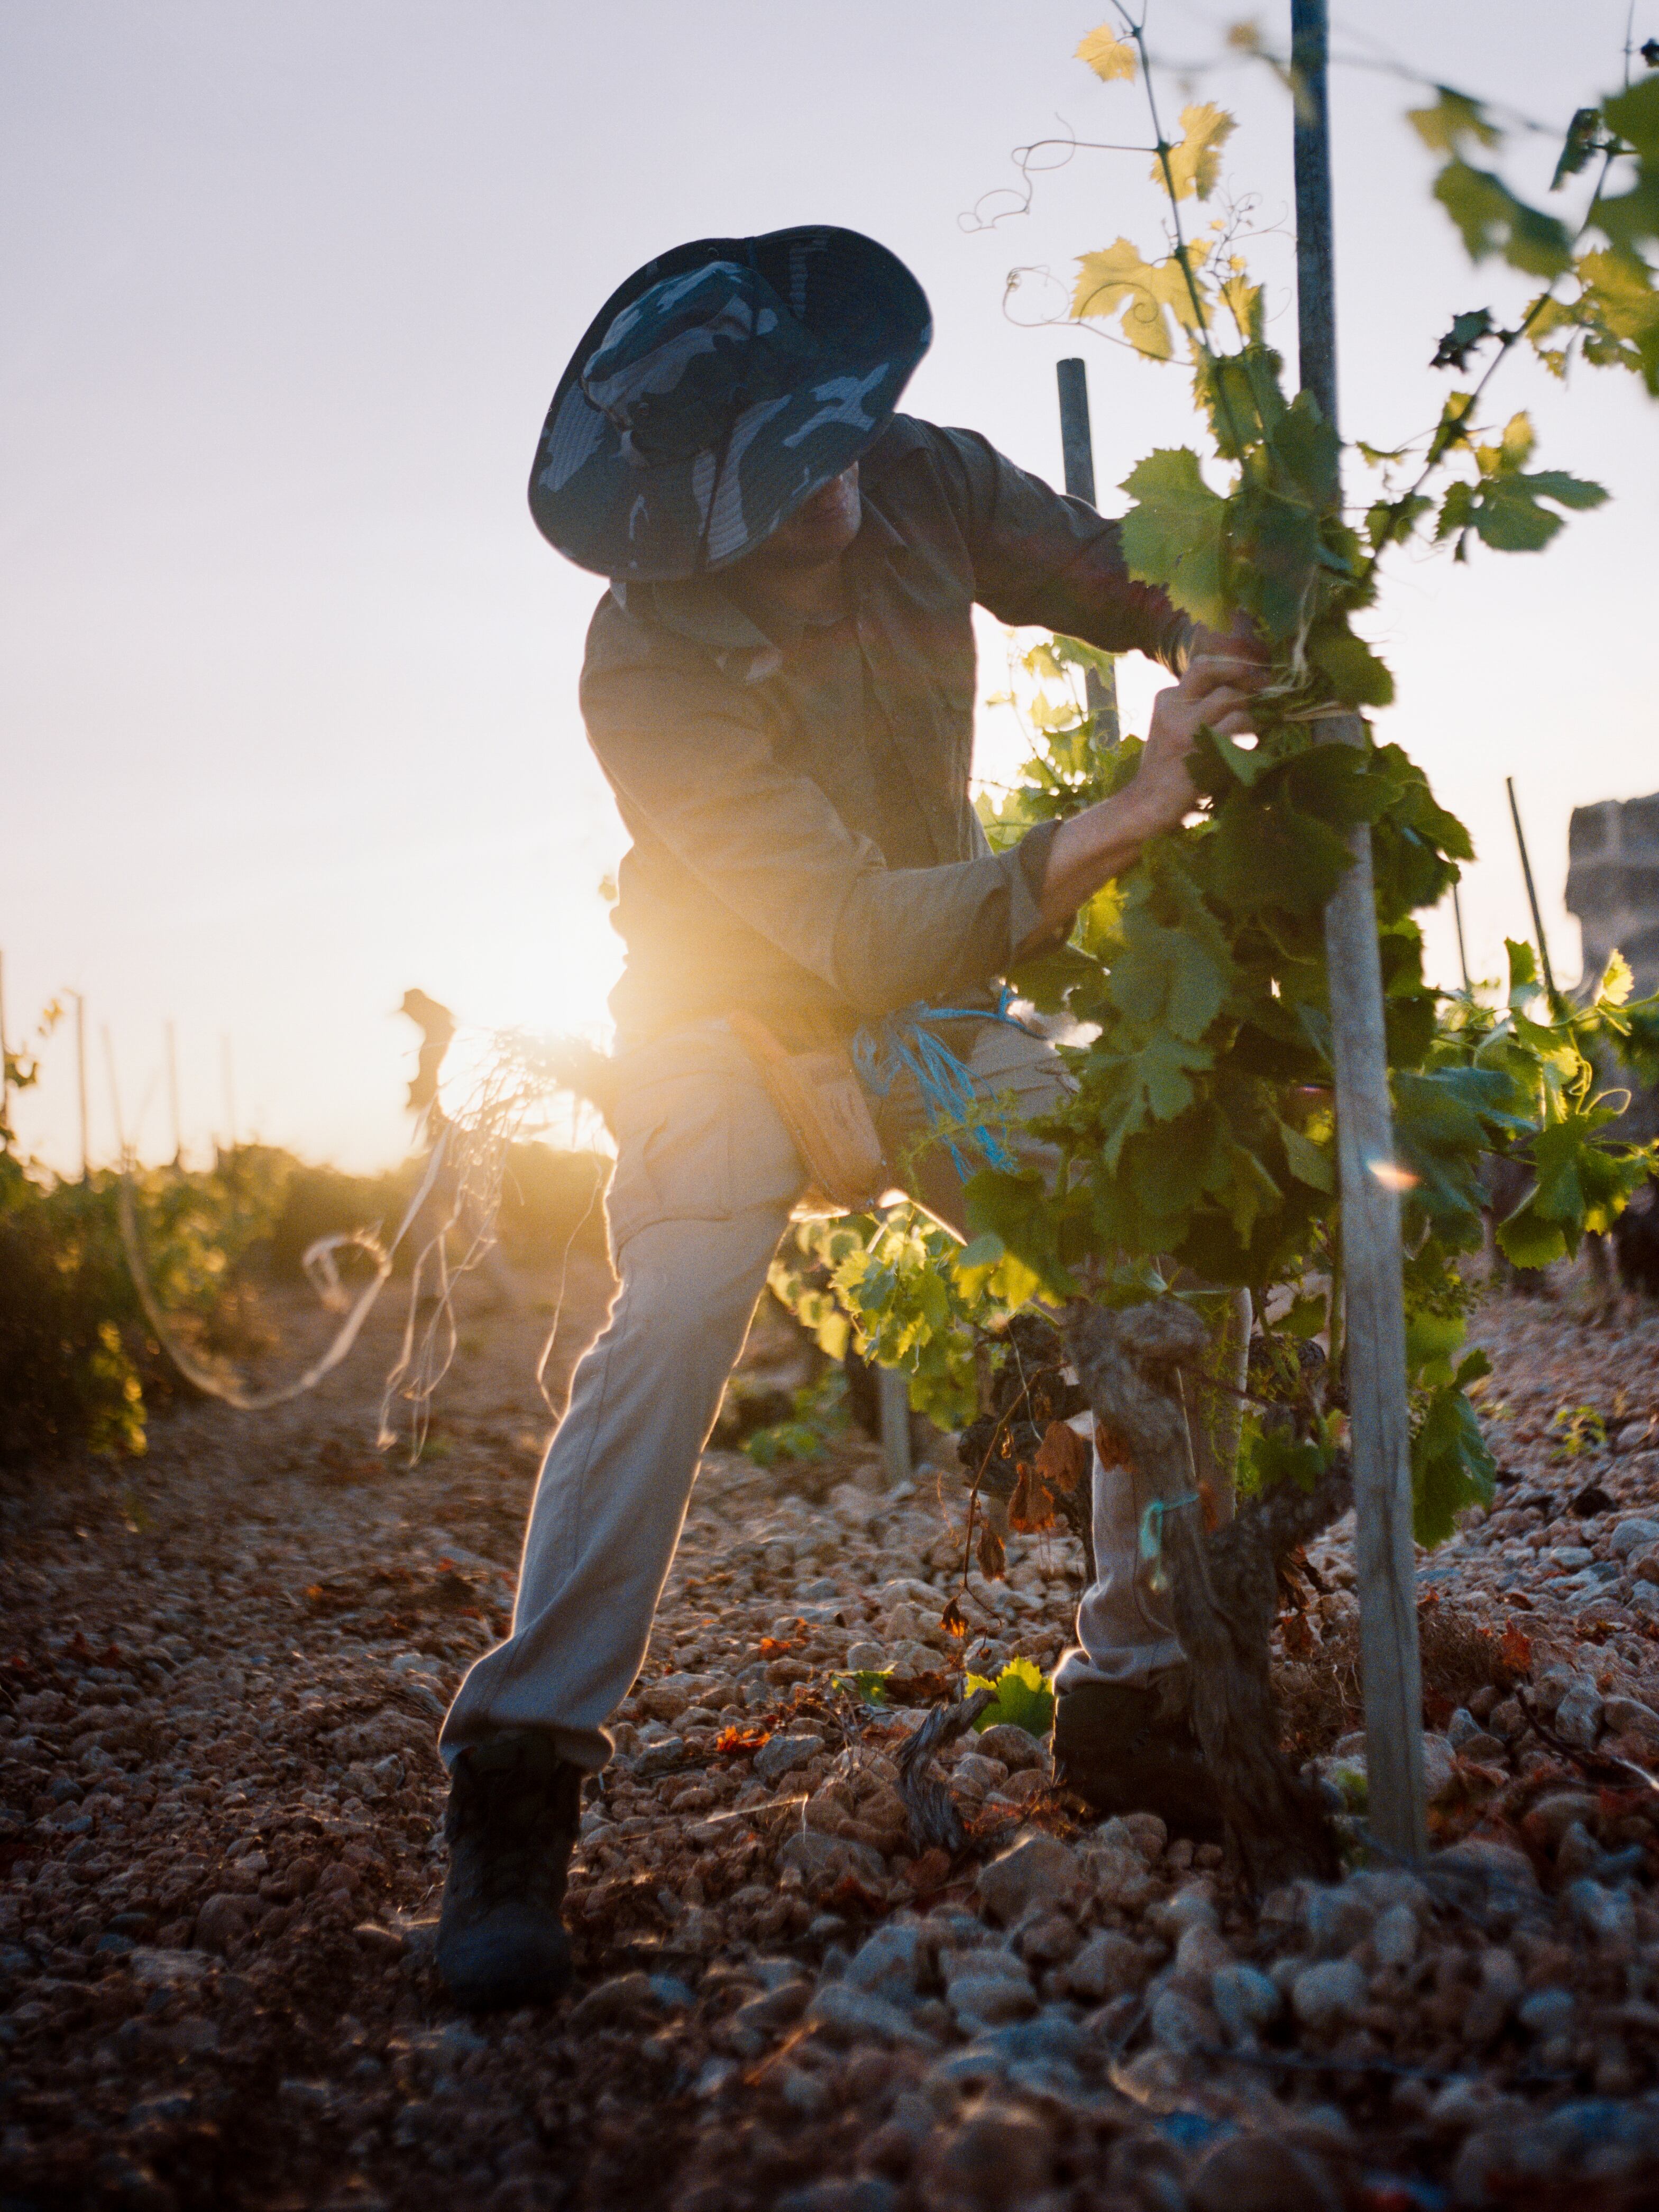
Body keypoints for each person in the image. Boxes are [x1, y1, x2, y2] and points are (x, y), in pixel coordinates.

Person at [433, 226, 1264, 2008]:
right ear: (685, 524)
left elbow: (1116, 575)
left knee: (1143, 1239)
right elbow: (847, 927)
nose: (821, 501)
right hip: (722, 1013)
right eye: (770, 489)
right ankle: (514, 1776)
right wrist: (1113, 824)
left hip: (935, 1018)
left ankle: (1124, 1693)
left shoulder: (921, 478)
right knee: (669, 1320)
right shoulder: (638, 666)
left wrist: (1220, 620)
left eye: (824, 452)